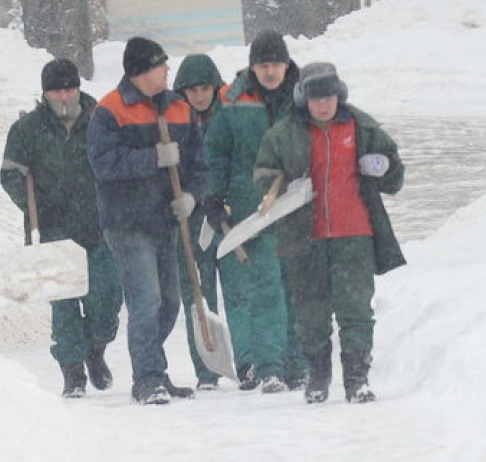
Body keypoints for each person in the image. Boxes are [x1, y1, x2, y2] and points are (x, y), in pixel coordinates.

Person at [254, 62, 406, 404]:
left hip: (355, 235)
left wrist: (383, 167)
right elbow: (263, 176)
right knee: (311, 312)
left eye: (329, 96)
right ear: (302, 98)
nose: (323, 104)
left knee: (355, 310)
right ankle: (318, 377)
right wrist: (282, 188)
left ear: (340, 95)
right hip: (305, 238)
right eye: (316, 97)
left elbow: (395, 177)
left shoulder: (363, 127)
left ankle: (357, 379)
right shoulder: (284, 134)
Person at [87, 37, 208, 405]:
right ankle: (148, 378)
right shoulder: (110, 110)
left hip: (164, 222)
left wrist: (190, 196)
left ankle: (154, 369)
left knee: (170, 302)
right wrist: (153, 157)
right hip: (127, 223)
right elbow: (103, 164)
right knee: (147, 301)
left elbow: (199, 164)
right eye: (161, 65)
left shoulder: (179, 109)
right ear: (141, 71)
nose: (168, 70)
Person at [0, 58, 123, 398]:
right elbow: (10, 174)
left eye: (70, 88)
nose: (65, 96)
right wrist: (35, 206)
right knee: (64, 305)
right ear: (45, 94)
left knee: (107, 299)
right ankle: (73, 371)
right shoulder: (27, 130)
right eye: (57, 91)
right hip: (53, 230)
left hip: (98, 227)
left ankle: (95, 349)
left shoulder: (100, 119)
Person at [204, 29, 305, 393]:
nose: (271, 71)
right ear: (253, 67)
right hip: (254, 213)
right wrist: (213, 199)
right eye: (264, 65)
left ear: (286, 64)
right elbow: (215, 153)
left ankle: (299, 365)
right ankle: (270, 367)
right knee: (266, 289)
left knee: (297, 288)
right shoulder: (233, 101)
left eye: (277, 63)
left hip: (296, 208)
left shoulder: (304, 96)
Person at [172, 53, 225, 391]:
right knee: (197, 291)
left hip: (225, 211)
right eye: (193, 89)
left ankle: (248, 360)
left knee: (240, 289)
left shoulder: (227, 118)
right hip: (190, 217)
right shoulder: (174, 121)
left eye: (205, 88)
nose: (200, 95)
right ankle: (207, 366)